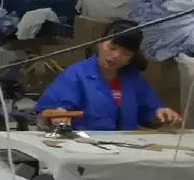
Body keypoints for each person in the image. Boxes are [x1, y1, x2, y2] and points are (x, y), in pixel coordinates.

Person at [36, 18, 183, 131]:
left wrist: (161, 113)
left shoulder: (133, 79)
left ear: (132, 57)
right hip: (83, 148)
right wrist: (56, 115)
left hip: (125, 149)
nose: (116, 56)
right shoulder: (76, 75)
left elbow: (149, 112)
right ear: (100, 42)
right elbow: (46, 113)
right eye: (112, 48)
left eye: (126, 53)